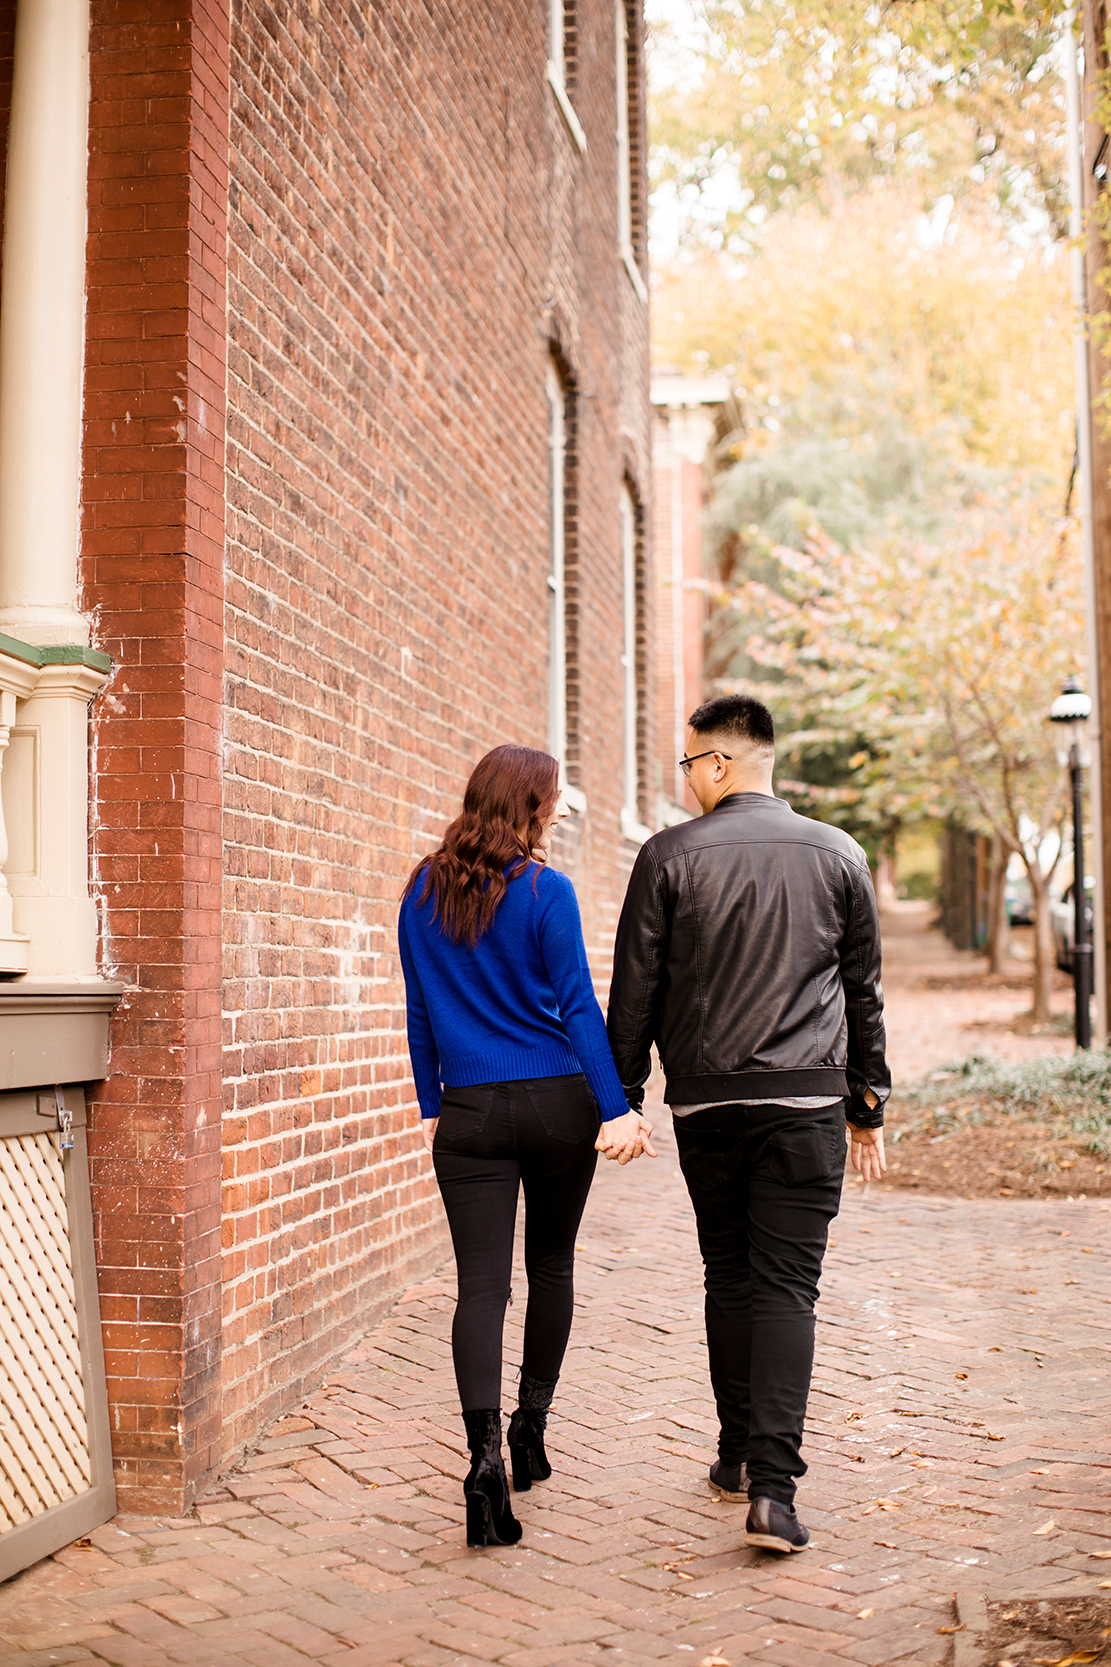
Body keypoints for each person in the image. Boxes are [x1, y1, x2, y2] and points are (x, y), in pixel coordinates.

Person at [605, 694, 889, 1554]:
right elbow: (862, 992)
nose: (684, 780)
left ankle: (735, 1455)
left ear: (721, 764)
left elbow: (635, 991)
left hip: (707, 1105)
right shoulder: (838, 852)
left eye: (688, 764)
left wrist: (623, 1097)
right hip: (806, 1103)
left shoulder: (666, 857)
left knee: (728, 1271)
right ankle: (772, 1489)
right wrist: (865, 1104)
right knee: (787, 1287)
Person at [399, 744, 654, 1548]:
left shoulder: (421, 887)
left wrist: (430, 1103)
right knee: (550, 1265)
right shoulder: (547, 891)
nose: (557, 815)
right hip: (556, 1107)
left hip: (468, 1109)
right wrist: (615, 1109)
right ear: (529, 807)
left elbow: (417, 1006)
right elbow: (579, 1008)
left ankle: (480, 1464)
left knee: (480, 1289)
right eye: (550, 801)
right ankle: (528, 1428)